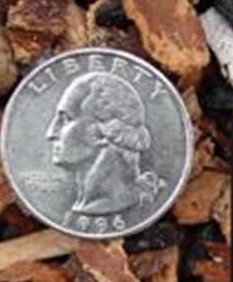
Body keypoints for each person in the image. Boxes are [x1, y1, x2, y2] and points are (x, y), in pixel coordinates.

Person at [46, 72, 164, 225]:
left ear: (102, 134)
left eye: (66, 119)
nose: (51, 133)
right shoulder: (86, 204)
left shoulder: (122, 201)